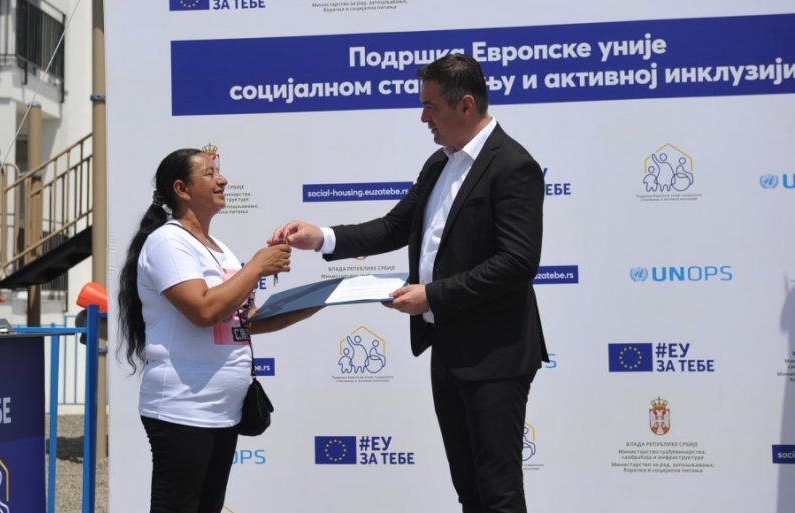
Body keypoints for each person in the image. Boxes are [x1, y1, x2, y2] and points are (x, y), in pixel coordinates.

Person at [269, 54, 548, 513]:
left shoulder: (513, 165)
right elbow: (394, 227)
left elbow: (517, 262)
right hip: (448, 347)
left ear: (465, 105)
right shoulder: (439, 164)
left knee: (498, 494)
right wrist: (323, 237)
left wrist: (431, 295)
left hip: (496, 354)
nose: (423, 118)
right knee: (469, 492)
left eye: (430, 107)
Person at [118, 147, 314, 513]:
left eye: (218, 172)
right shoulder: (167, 242)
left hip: (224, 409)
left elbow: (242, 318)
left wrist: (318, 301)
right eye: (209, 173)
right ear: (182, 189)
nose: (222, 180)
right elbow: (204, 310)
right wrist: (257, 266)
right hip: (183, 408)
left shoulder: (219, 248)